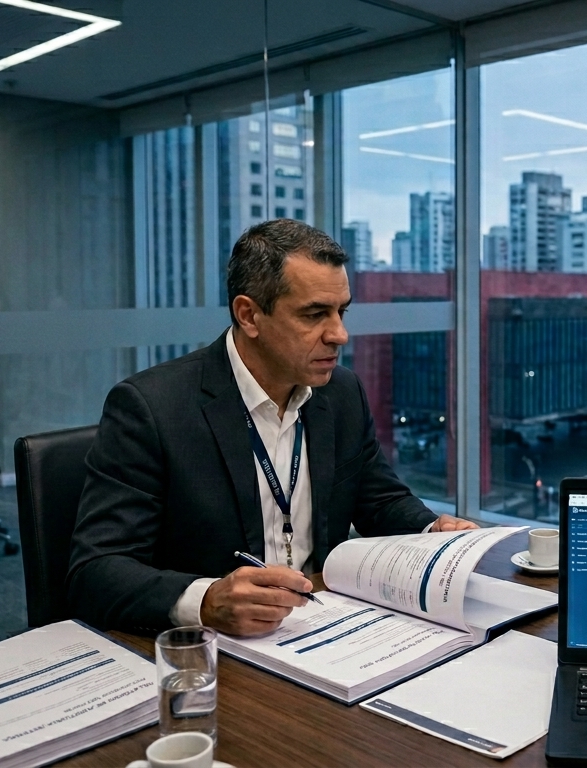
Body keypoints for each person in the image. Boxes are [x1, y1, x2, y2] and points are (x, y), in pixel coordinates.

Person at [68, 219, 477, 636]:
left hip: (324, 627)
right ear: (249, 315)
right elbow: (95, 571)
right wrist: (207, 601)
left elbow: (379, 500)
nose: (339, 334)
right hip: (213, 650)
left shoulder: (340, 392)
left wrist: (433, 530)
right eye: (315, 314)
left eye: (341, 311)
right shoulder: (153, 408)